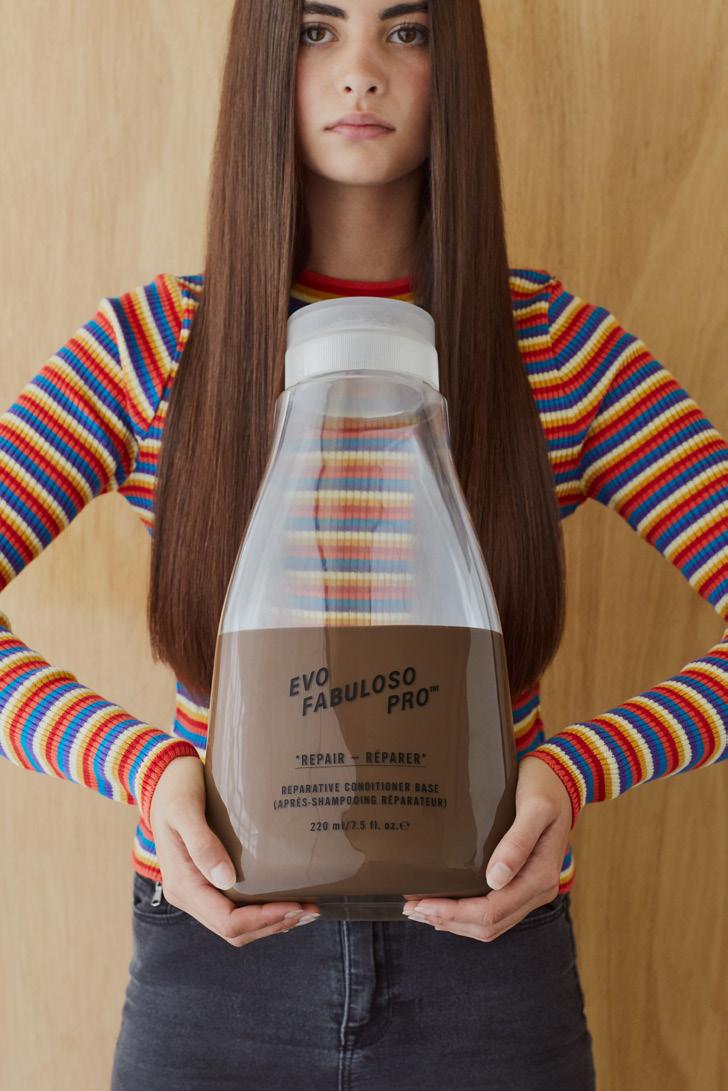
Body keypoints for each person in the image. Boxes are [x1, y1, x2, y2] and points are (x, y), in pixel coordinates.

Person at [1, 1, 725, 1088]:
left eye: (407, 31)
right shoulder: (157, 349)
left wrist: (574, 770)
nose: (359, 71)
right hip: (215, 963)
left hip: (486, 965)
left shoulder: (551, 351)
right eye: (316, 30)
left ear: (453, 67)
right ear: (265, 62)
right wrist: (146, 770)